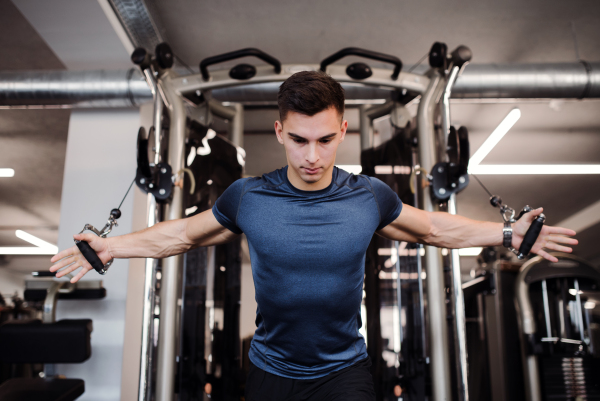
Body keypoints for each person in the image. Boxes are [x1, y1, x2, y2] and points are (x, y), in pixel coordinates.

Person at [50, 71, 577, 401]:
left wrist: (508, 233)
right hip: (268, 370)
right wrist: (113, 245)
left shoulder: (369, 195)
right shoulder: (248, 197)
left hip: (344, 371)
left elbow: (436, 227)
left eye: (325, 140)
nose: (311, 156)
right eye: (299, 140)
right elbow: (183, 235)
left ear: (343, 130)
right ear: (279, 131)